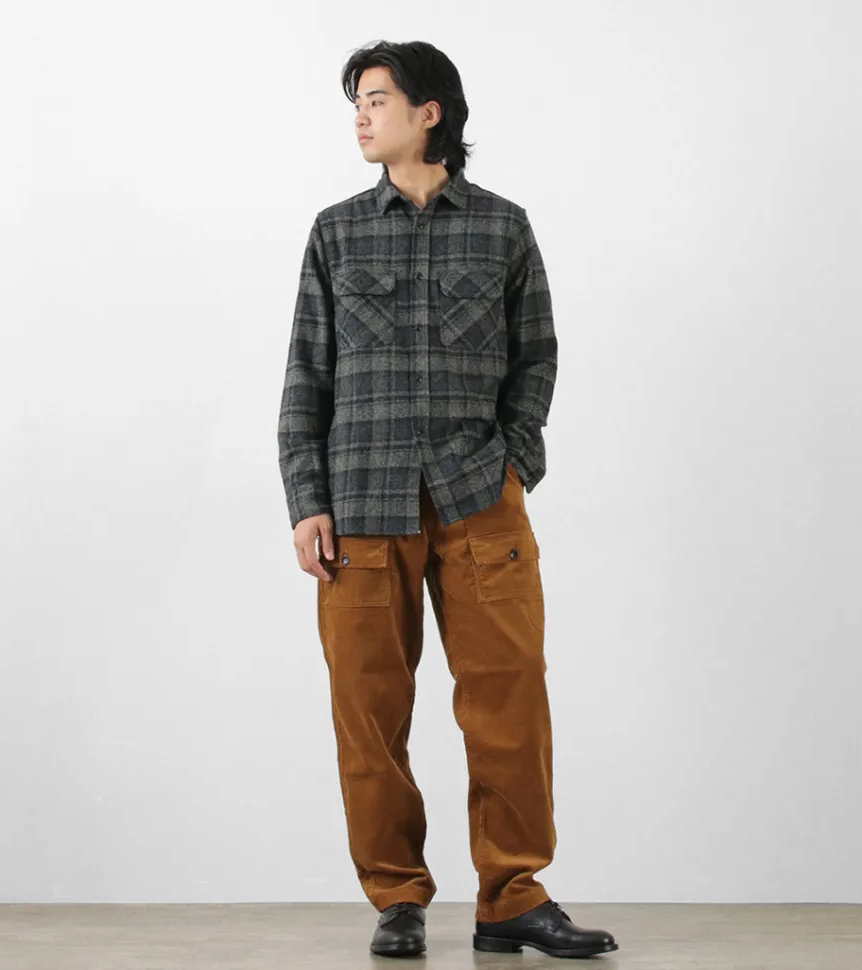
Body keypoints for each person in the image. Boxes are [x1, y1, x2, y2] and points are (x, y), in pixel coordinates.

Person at [277, 39, 618, 959]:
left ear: (429, 112)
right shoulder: (336, 232)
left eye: (376, 99)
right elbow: (307, 374)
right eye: (356, 102)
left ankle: (513, 897)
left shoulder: (503, 227)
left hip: (479, 502)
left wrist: (514, 464)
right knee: (369, 711)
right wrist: (307, 499)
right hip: (361, 504)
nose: (360, 116)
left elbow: (536, 356)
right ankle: (397, 899)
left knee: (510, 701)